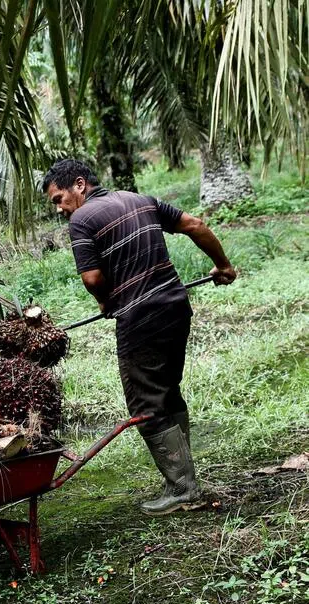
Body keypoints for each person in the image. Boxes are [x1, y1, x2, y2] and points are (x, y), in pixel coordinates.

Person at [41, 158, 237, 515]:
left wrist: (105, 301)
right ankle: (184, 481)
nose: (59, 208)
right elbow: (194, 225)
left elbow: (92, 279)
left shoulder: (82, 219)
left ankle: (183, 490)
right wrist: (223, 265)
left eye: (58, 198)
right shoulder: (139, 199)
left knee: (146, 403)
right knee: (166, 391)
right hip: (176, 307)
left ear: (79, 185)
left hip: (141, 318)